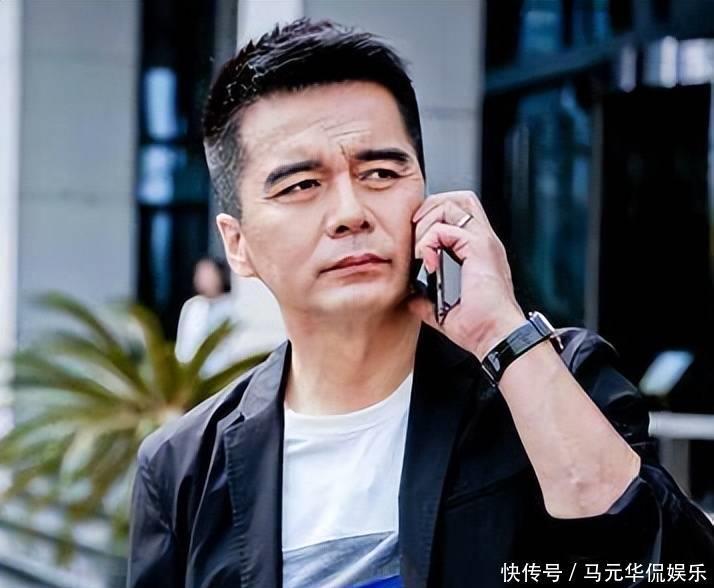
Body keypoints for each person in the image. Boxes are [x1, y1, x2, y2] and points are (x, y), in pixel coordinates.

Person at [127, 19, 714, 588]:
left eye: (382, 172)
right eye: (302, 185)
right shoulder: (184, 468)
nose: (351, 212)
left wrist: (501, 335)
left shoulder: (554, 382)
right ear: (237, 244)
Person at [175, 257, 237, 375]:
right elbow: (183, 344)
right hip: (193, 375)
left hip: (222, 374)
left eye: (208, 274)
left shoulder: (231, 306)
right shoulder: (193, 305)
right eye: (200, 274)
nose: (203, 279)